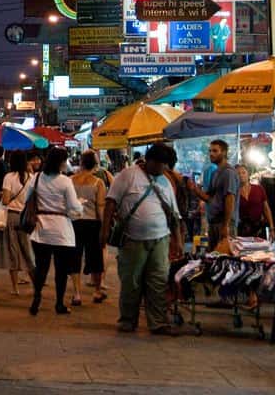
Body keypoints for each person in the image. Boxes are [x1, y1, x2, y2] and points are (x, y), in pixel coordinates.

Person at [102, 143, 183, 335]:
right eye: (162, 165)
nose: (164, 170)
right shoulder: (128, 175)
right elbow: (110, 203)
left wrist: (177, 240)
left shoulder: (165, 181)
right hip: (133, 239)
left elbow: (174, 214)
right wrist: (104, 231)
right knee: (132, 281)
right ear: (151, 160)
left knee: (158, 281)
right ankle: (128, 320)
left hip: (161, 239)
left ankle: (158, 322)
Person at [25, 147, 83, 315]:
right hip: (61, 231)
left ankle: (36, 297)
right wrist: (80, 203)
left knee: (41, 267)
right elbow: (73, 206)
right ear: (61, 163)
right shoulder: (65, 181)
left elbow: (27, 199)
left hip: (41, 229)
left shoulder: (36, 178)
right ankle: (59, 304)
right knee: (61, 270)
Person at [69, 150, 107, 305]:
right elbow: (100, 208)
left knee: (75, 257)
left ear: (81, 162)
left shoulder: (70, 180)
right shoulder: (98, 183)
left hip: (74, 223)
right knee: (96, 258)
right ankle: (97, 291)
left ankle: (77, 294)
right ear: (95, 165)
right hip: (93, 224)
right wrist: (104, 227)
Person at [0, 150, 35, 295]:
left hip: (12, 216)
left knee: (13, 250)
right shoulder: (31, 177)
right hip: (27, 217)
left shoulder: (9, 177)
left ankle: (15, 288)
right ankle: (36, 284)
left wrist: (3, 194)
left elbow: (5, 200)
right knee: (28, 251)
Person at [188, 139, 240, 252]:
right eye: (210, 151)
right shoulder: (215, 172)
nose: (211, 153)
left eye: (215, 151)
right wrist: (195, 189)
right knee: (214, 256)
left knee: (225, 257)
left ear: (224, 153)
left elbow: (230, 199)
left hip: (224, 223)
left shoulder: (228, 173)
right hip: (214, 222)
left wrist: (225, 225)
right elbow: (209, 198)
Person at [237, 165, 275, 239]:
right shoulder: (234, 192)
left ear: (248, 174)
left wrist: (271, 228)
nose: (241, 175)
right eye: (238, 173)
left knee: (260, 250)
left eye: (243, 172)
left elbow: (266, 209)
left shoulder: (258, 189)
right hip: (242, 230)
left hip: (259, 229)